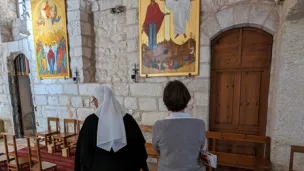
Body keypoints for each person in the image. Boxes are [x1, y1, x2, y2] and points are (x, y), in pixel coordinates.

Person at [75, 85, 148, 171]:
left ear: (102, 100)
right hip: (126, 166)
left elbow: (84, 152)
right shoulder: (128, 119)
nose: (94, 103)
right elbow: (139, 147)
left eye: (95, 99)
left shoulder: (90, 121)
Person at [152, 80, 206, 171]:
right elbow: (202, 148)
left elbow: (157, 149)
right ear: (187, 99)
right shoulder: (200, 124)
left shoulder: (158, 126)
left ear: (166, 101)